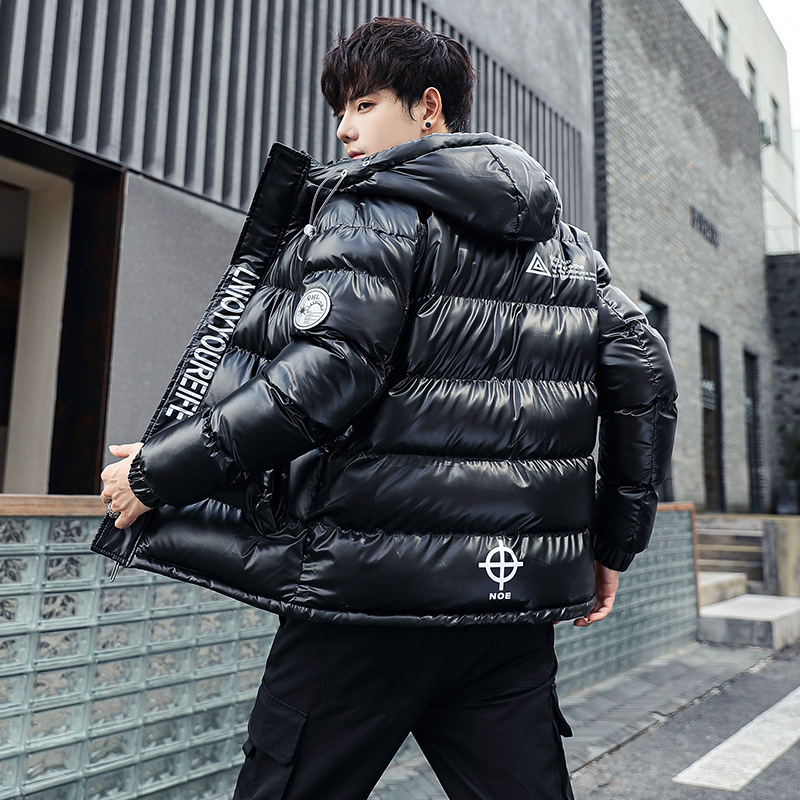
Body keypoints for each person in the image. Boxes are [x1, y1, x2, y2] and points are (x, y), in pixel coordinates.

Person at [97, 16, 677, 800]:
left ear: (428, 107)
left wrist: (159, 473)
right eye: (341, 109)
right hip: (507, 612)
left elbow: (322, 381)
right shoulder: (566, 248)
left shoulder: (373, 210)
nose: (344, 129)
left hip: (361, 606)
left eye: (364, 105)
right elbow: (646, 373)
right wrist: (613, 542)